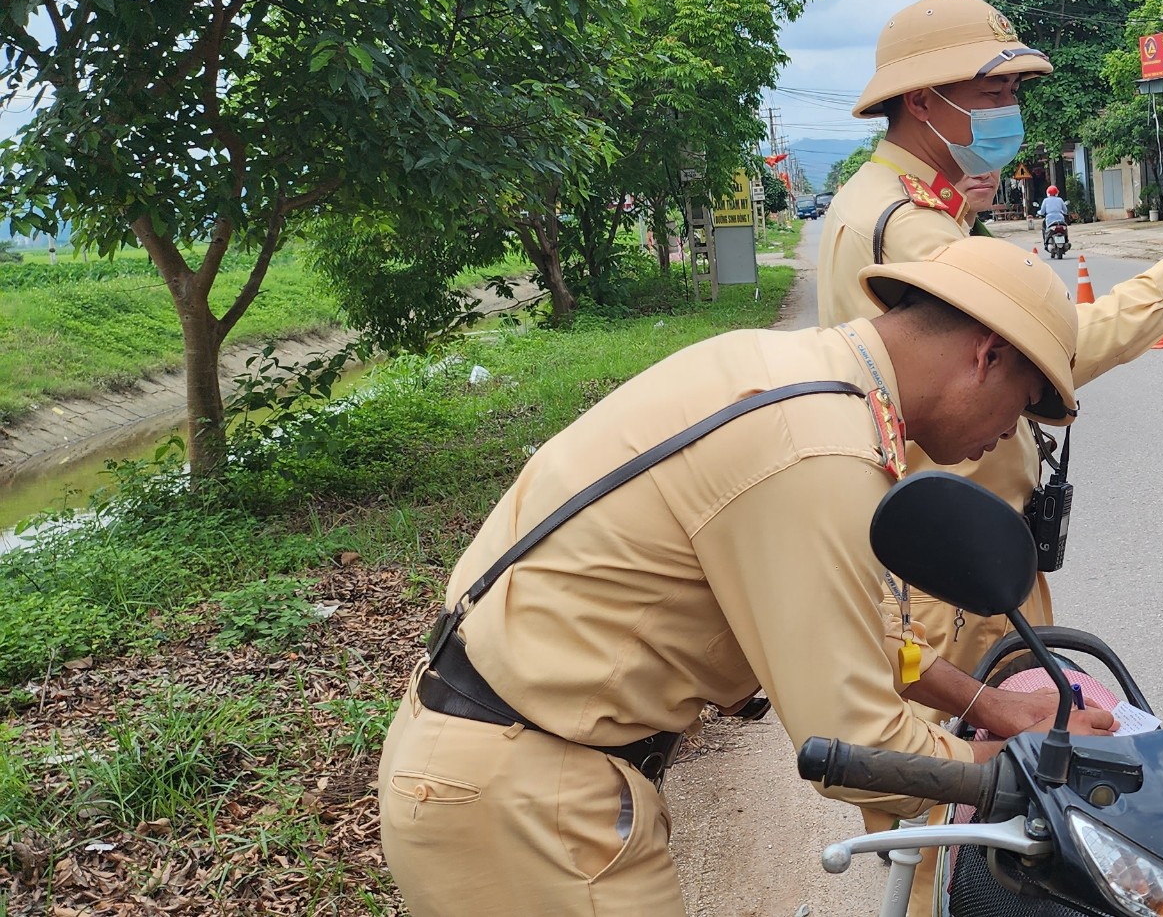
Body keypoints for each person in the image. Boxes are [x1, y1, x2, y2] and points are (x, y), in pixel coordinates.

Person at [377, 238, 1121, 917]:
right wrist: (1032, 767)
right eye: (1022, 409)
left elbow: (870, 634)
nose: (1008, 436)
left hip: (497, 766)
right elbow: (856, 750)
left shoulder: (799, 377)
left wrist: (992, 706)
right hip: (528, 804)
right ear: (985, 356)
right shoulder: (817, 451)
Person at [816, 0, 1163, 680]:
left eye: (1011, 91)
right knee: (983, 769)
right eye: (992, 92)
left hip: (963, 549)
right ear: (924, 103)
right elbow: (1044, 350)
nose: (1008, 109)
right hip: (952, 577)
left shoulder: (901, 203)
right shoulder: (905, 225)